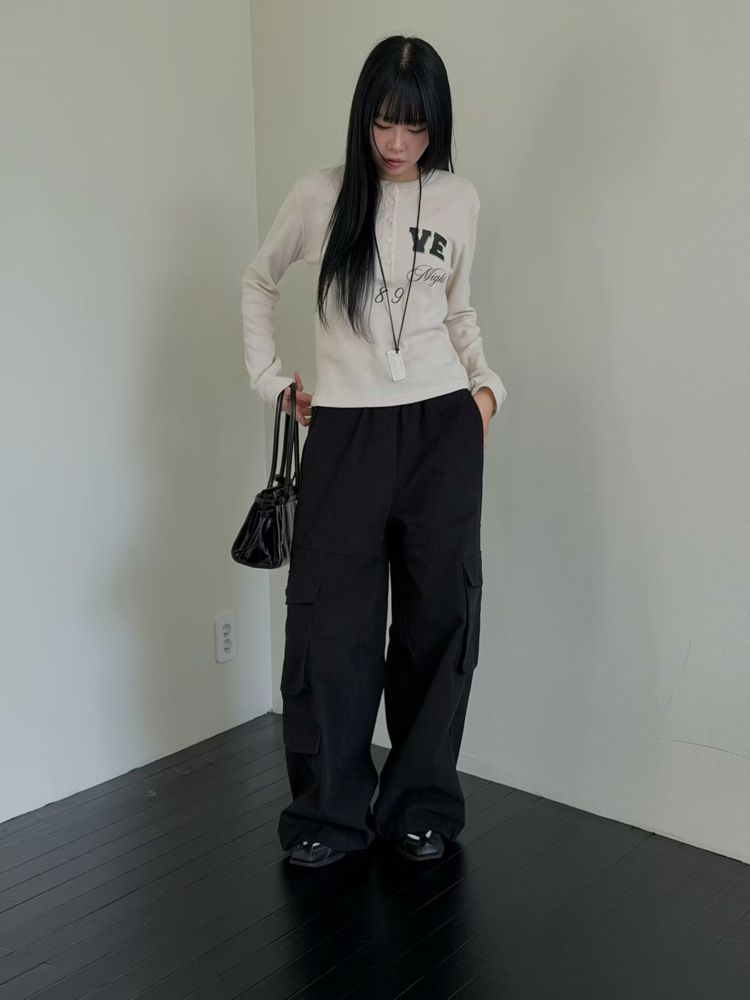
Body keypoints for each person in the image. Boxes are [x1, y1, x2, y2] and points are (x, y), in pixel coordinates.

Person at [241, 35, 507, 868]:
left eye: (415, 127)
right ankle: (328, 815)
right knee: (332, 629)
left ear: (436, 126)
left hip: (441, 429)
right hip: (346, 431)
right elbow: (258, 279)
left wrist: (486, 390)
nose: (397, 143)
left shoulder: (458, 199)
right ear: (363, 115)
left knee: (439, 620)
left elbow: (458, 310)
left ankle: (420, 807)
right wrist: (272, 382)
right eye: (385, 122)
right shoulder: (319, 196)